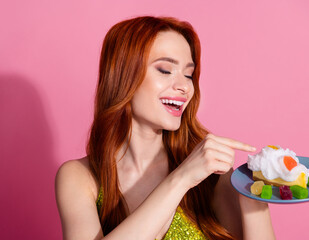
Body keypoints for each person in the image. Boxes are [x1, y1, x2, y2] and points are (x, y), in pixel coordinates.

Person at [55, 16, 275, 240]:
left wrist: (253, 197)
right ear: (123, 76)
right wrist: (182, 178)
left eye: (188, 74)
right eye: (165, 70)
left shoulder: (211, 172)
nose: (184, 87)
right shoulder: (80, 178)